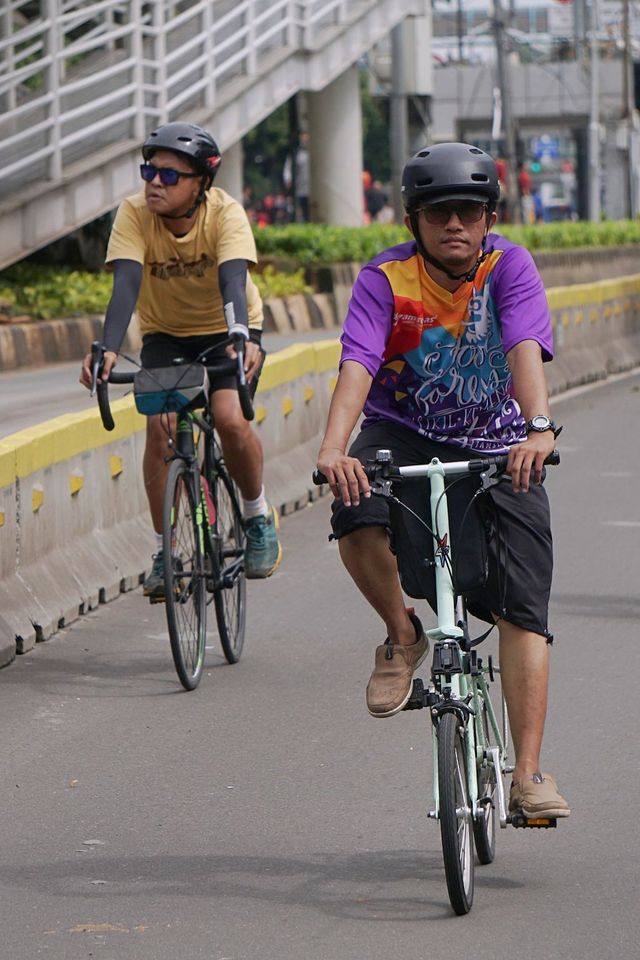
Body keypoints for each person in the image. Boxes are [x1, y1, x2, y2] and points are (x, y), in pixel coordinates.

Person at [316, 142, 570, 820]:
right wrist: (333, 447)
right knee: (353, 507)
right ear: (414, 221)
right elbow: (358, 364)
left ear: (489, 217)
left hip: (499, 441)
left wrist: (537, 427)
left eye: (468, 212)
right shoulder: (385, 279)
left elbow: (523, 345)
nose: (454, 225)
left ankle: (529, 775)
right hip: (405, 432)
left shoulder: (508, 266)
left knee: (524, 607)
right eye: (437, 214)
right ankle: (402, 635)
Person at [80, 121, 282, 597]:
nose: (154, 182)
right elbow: (125, 286)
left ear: (200, 184)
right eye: (149, 170)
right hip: (166, 334)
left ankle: (256, 517)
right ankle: (165, 550)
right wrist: (108, 348)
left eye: (169, 176)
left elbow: (233, 281)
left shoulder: (225, 214)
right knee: (161, 426)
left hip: (228, 328)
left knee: (230, 418)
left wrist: (241, 336)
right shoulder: (133, 214)